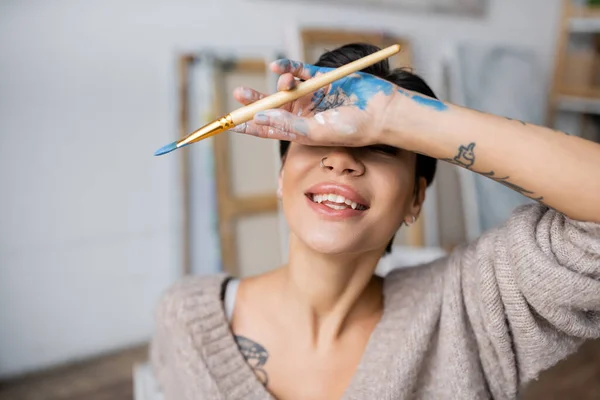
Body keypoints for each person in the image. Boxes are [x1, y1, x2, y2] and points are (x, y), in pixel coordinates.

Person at [150, 43, 600, 400]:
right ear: (281, 175)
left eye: (381, 146)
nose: (342, 161)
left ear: (415, 198)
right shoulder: (186, 319)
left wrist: (396, 115)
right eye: (315, 137)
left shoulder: (468, 312)